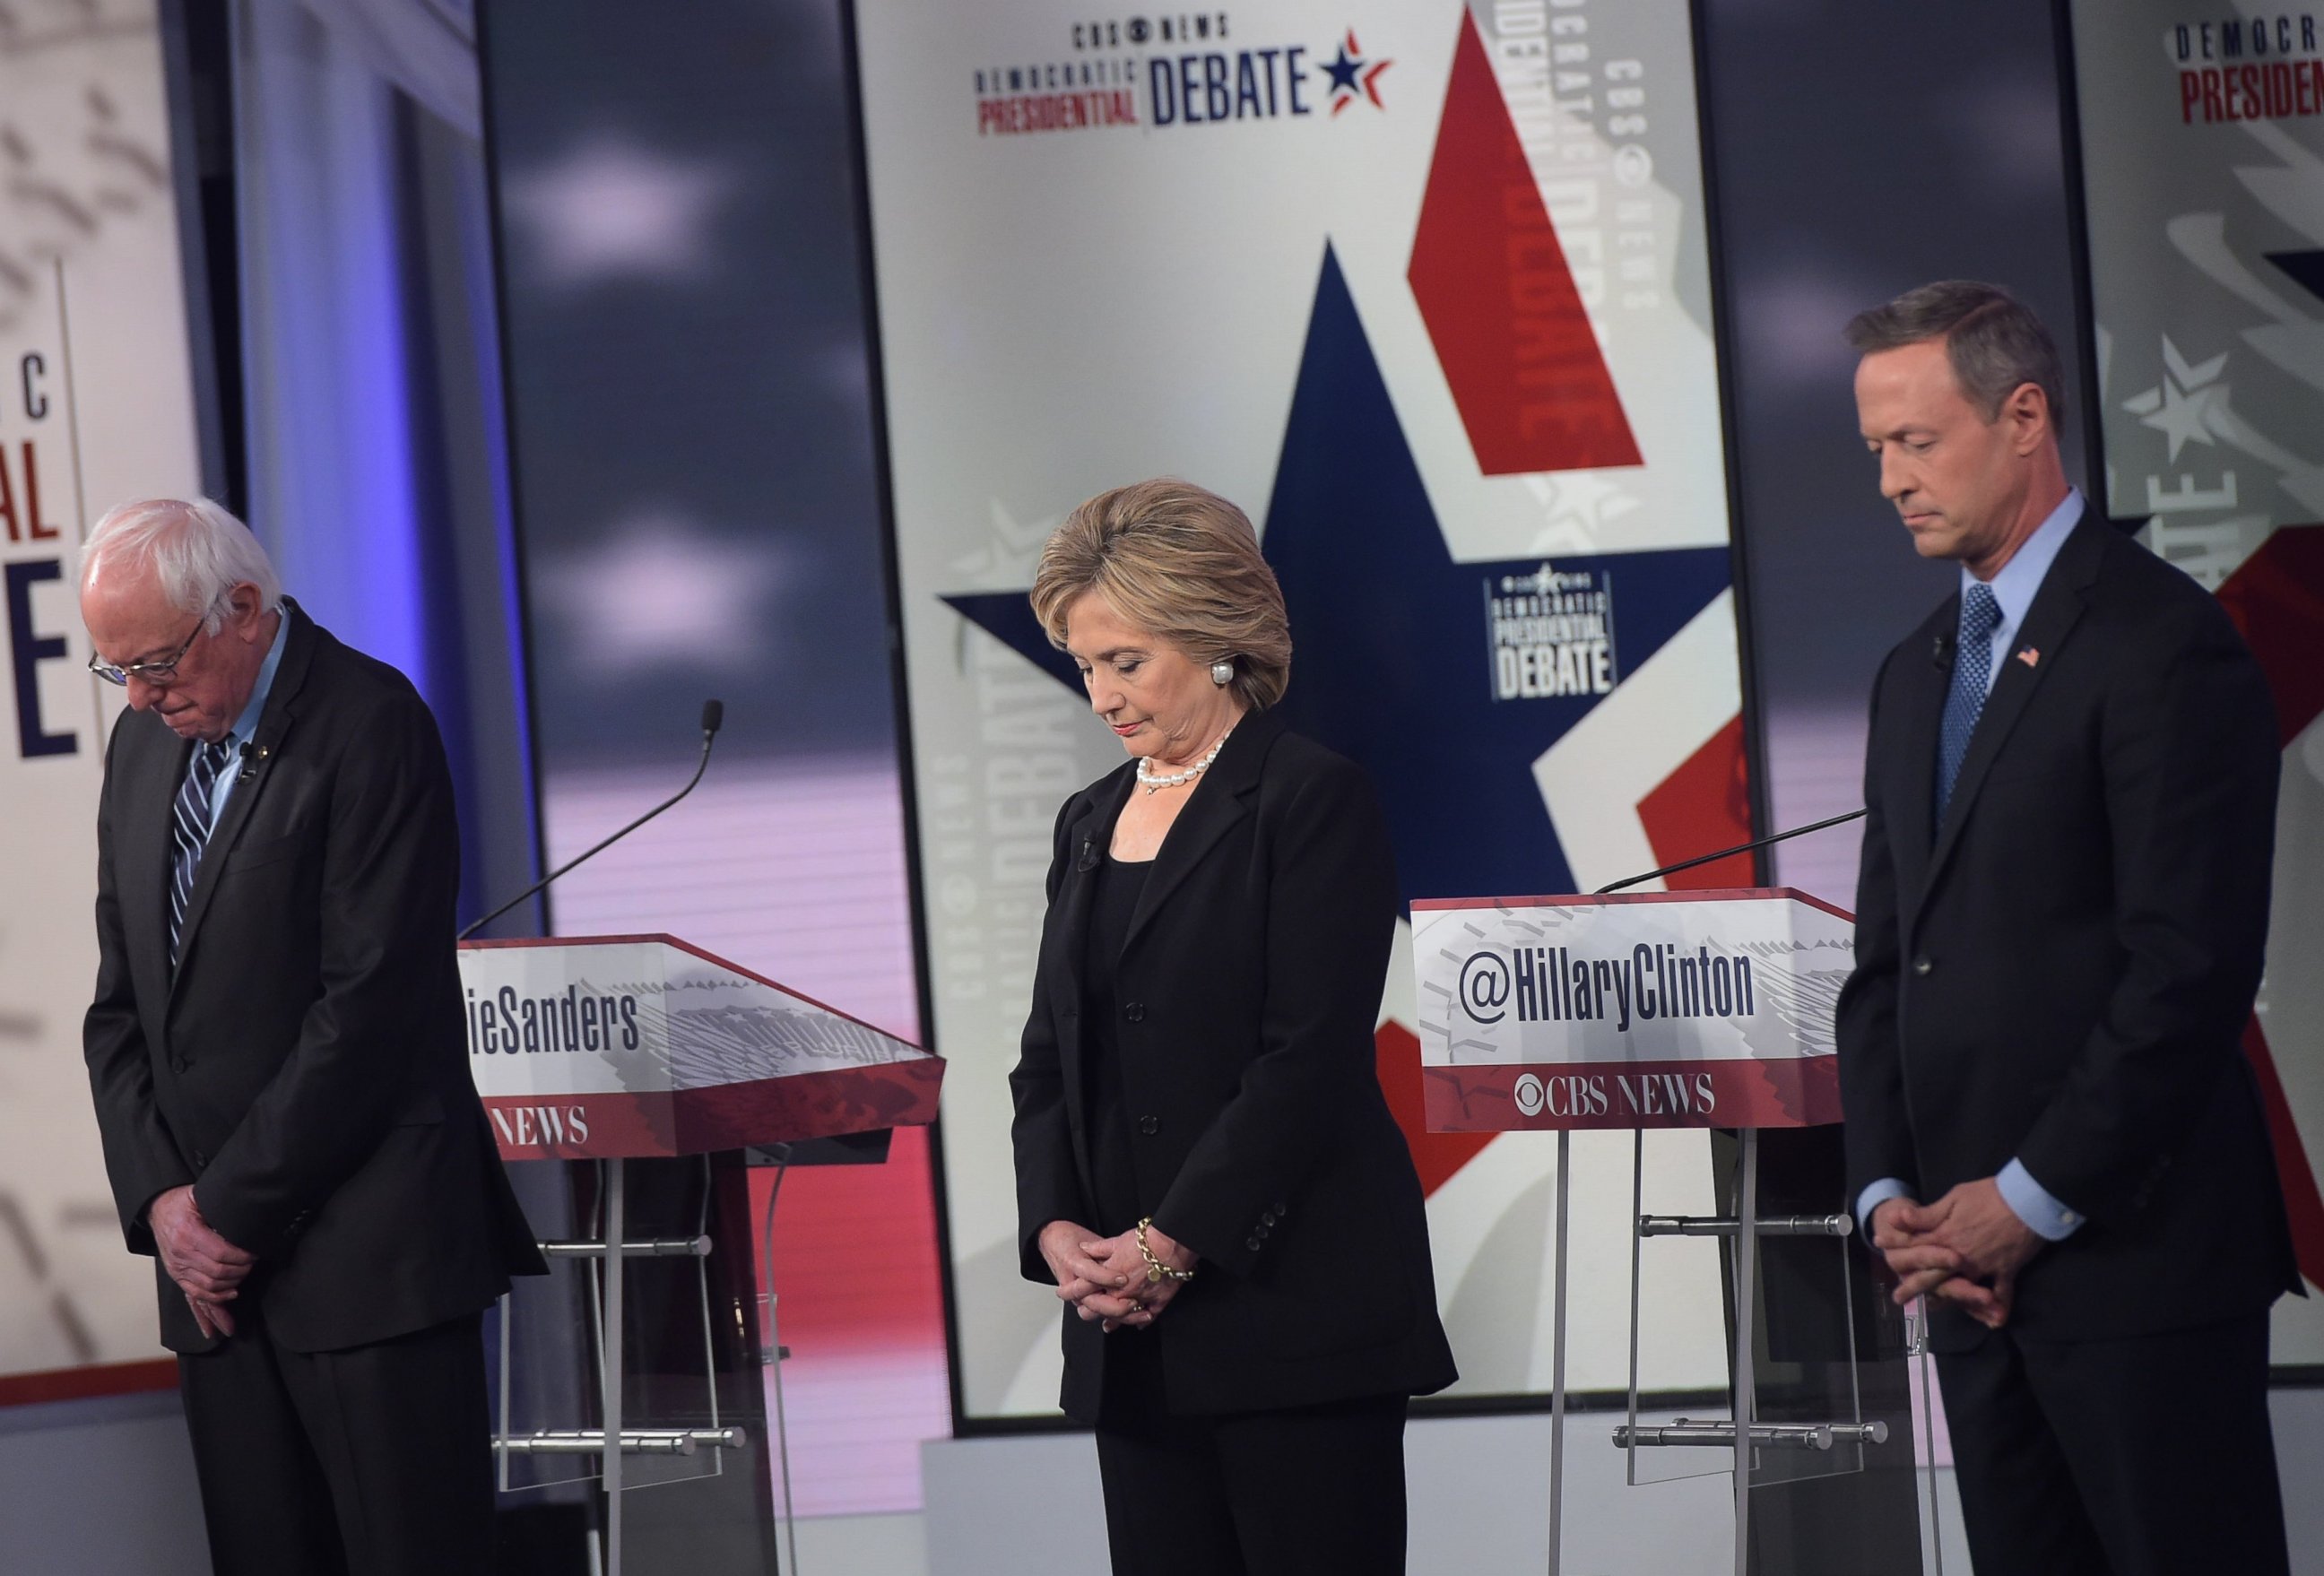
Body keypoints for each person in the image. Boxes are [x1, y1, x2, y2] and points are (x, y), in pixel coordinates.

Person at [1834, 282, 2300, 1575]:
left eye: (1916, 442)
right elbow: (1884, 971)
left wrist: (2026, 1206)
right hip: (1967, 1289)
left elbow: (2188, 970)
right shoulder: (1912, 671)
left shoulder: (2164, 645)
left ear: (2024, 415)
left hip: (2136, 1268)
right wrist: (1893, 1199)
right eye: (1875, 448)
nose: (1888, 481)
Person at [77, 498, 544, 1576]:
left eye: (155, 664)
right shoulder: (144, 749)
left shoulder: (371, 722)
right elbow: (123, 1009)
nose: (143, 699)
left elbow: (369, 1010)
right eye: (122, 675)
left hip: (368, 1264)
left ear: (242, 608)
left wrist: (224, 1214)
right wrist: (163, 1206)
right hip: (216, 1294)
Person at [1009, 480, 1456, 1575]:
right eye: (1084, 665)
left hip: (1292, 1310)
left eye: (1127, 661)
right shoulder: (1087, 821)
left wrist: (1174, 1244)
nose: (1102, 695)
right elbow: (1046, 1060)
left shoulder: (1311, 798)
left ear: (1214, 642)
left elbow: (1306, 1059)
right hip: (1131, 1330)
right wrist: (1058, 1232)